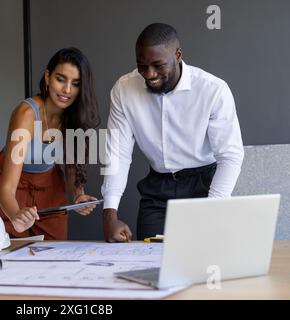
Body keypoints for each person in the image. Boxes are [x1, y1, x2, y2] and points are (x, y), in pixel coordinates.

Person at [102, 23, 244, 242]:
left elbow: (231, 156)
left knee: (202, 262)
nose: (149, 74)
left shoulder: (213, 90)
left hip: (204, 186)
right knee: (148, 261)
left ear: (178, 55)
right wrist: (110, 213)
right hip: (157, 189)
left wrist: (213, 208)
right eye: (142, 66)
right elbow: (117, 154)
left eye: (158, 65)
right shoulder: (124, 89)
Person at [0, 47, 101, 240]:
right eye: (60, 79)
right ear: (47, 77)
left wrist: (78, 194)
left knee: (55, 252)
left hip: (49, 187)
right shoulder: (26, 114)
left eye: (76, 83)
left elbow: (72, 165)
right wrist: (15, 214)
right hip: (13, 188)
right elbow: (6, 187)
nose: (67, 90)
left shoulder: (74, 116)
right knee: (10, 250)